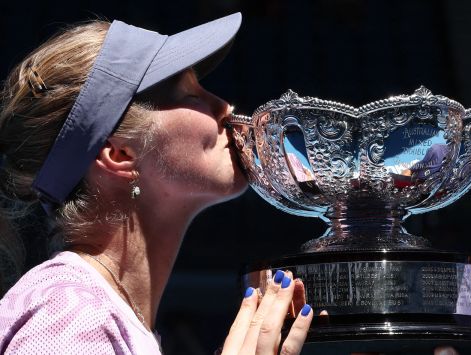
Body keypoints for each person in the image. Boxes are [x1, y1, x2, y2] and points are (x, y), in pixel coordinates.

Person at [0, 13, 315, 354]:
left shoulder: (97, 312)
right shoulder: (70, 311)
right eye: (189, 94)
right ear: (118, 153)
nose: (225, 106)